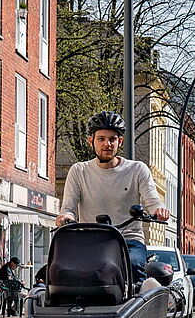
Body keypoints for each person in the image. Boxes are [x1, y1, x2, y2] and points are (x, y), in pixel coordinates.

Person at [56, 111, 170, 284]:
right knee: (67, 271)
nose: (107, 144)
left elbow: (152, 201)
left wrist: (159, 210)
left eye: (112, 139)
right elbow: (68, 208)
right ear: (91, 141)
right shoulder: (79, 171)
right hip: (91, 239)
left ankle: (138, 298)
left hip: (128, 240)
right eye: (101, 139)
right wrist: (66, 217)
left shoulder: (137, 169)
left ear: (120, 142)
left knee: (133, 266)